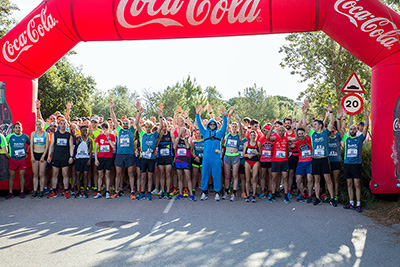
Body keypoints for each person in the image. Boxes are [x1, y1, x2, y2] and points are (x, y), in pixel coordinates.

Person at [301, 100, 337, 207]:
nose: (313, 125)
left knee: (328, 179)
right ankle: (317, 198)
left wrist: (330, 113)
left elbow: (332, 123)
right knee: (316, 179)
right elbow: (304, 124)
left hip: (324, 159)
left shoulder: (325, 132)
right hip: (315, 159)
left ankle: (332, 198)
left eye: (315, 124)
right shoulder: (312, 133)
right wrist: (304, 113)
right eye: (313, 124)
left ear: (320, 126)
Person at [196, 105, 233, 201]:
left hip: (216, 157)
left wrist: (224, 117)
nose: (212, 126)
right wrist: (197, 115)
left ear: (216, 126)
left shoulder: (219, 134)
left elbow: (224, 127)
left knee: (217, 174)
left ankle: (217, 192)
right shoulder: (204, 133)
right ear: (208, 126)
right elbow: (199, 125)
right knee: (204, 174)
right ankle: (204, 192)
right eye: (210, 125)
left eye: (214, 125)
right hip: (206, 157)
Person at [338, 107, 369, 212]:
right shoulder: (346, 138)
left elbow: (366, 128)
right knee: (349, 184)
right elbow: (339, 129)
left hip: (356, 164)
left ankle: (358, 204)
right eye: (350, 129)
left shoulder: (359, 138)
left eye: (354, 129)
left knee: (357, 184)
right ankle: (351, 203)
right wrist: (340, 118)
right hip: (347, 164)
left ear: (356, 130)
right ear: (349, 130)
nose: (352, 130)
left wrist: (366, 117)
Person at [135, 102, 164, 201]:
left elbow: (161, 126)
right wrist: (139, 112)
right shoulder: (142, 133)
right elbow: (136, 123)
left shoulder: (154, 134)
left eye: (149, 127)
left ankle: (149, 193)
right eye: (146, 127)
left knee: (150, 176)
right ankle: (142, 192)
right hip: (143, 157)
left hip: (151, 157)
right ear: (144, 128)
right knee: (143, 176)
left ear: (151, 128)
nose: (147, 128)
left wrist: (160, 116)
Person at [109, 101, 138, 199]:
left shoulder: (131, 130)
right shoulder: (119, 130)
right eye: (124, 123)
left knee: (130, 173)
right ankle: (117, 190)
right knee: (118, 173)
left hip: (129, 154)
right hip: (119, 154)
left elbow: (137, 121)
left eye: (127, 123)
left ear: (129, 124)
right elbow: (113, 120)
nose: (125, 124)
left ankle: (132, 191)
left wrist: (138, 111)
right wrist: (111, 109)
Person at [266, 123, 296, 204]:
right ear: (277, 131)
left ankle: (286, 195)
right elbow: (267, 137)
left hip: (284, 161)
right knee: (273, 178)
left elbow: (296, 138)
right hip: (275, 161)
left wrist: (294, 129)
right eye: (280, 130)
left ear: (284, 131)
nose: (281, 132)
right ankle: (272, 194)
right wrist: (271, 128)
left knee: (285, 178)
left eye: (283, 130)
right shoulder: (275, 137)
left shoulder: (287, 138)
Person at [47, 118, 74, 199]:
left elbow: (71, 146)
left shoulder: (68, 135)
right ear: (59, 125)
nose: (62, 125)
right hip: (56, 156)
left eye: (64, 124)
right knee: (54, 174)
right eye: (61, 124)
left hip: (65, 157)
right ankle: (54, 191)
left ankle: (66, 191)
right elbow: (51, 146)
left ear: (66, 125)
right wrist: (49, 156)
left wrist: (71, 156)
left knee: (65, 174)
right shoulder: (55, 134)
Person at [5, 122, 30, 199]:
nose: (17, 129)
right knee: (11, 176)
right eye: (16, 128)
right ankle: (10, 192)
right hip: (13, 159)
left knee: (21, 176)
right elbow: (4, 145)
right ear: (13, 129)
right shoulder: (9, 137)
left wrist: (27, 152)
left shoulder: (25, 137)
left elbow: (29, 144)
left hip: (22, 159)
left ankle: (22, 192)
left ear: (21, 128)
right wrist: (7, 154)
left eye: (19, 127)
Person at [222, 113, 242, 200]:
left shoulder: (238, 136)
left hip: (235, 157)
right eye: (232, 126)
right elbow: (226, 125)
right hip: (227, 156)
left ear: (236, 128)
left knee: (235, 175)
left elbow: (241, 130)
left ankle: (234, 193)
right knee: (227, 175)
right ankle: (226, 192)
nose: (234, 128)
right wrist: (228, 115)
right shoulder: (228, 135)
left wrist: (239, 120)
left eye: (235, 126)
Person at [93, 122, 116, 199]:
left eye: (106, 128)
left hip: (109, 157)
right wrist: (96, 159)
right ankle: (99, 191)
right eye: (103, 128)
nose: (105, 130)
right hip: (101, 157)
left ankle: (107, 191)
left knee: (108, 174)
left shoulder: (112, 136)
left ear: (109, 128)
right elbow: (96, 149)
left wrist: (108, 138)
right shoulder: (99, 137)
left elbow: (113, 146)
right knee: (100, 174)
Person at [291, 127, 313, 203]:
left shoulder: (309, 138)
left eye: (302, 133)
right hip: (300, 162)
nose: (300, 135)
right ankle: (303, 194)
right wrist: (290, 147)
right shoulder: (296, 142)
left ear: (304, 133)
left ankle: (310, 195)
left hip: (309, 162)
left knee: (310, 179)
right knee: (298, 180)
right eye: (299, 134)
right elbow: (288, 149)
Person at [174, 127, 196, 201]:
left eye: (183, 131)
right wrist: (178, 138)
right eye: (181, 130)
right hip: (178, 160)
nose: (182, 132)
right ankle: (180, 193)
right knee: (180, 178)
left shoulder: (188, 138)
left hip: (186, 160)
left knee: (188, 178)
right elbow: (174, 147)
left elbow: (188, 146)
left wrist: (184, 139)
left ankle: (191, 194)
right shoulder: (177, 139)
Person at [30, 119, 50, 198]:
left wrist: (43, 156)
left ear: (43, 125)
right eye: (37, 124)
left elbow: (47, 146)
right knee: (35, 174)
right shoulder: (32, 134)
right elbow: (31, 145)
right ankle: (35, 190)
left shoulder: (46, 134)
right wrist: (32, 156)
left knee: (42, 174)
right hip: (35, 154)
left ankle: (41, 190)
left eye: (40, 124)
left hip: (43, 154)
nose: (38, 126)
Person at [156, 120, 174, 199]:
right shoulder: (158, 135)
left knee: (168, 174)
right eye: (162, 126)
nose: (164, 128)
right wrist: (160, 137)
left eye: (165, 126)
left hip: (168, 157)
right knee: (161, 174)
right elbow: (156, 145)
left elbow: (174, 145)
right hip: (160, 157)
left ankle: (168, 191)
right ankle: (162, 191)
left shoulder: (170, 134)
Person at [74, 125, 92, 198]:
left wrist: (90, 159)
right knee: (78, 175)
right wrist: (72, 130)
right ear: (80, 131)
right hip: (78, 158)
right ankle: (78, 190)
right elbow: (73, 135)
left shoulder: (89, 140)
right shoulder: (78, 138)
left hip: (86, 159)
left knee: (85, 175)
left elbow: (90, 151)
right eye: (83, 130)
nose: (85, 132)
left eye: (86, 130)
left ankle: (85, 190)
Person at [243, 130, 261, 203]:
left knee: (254, 178)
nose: (253, 137)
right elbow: (243, 154)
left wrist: (257, 153)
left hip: (255, 161)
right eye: (251, 135)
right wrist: (248, 155)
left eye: (254, 135)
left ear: (256, 136)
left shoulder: (258, 143)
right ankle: (247, 195)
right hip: (247, 161)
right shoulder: (246, 143)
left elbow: (260, 154)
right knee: (247, 179)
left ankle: (253, 195)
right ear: (249, 136)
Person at [259, 124, 273, 199]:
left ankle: (270, 191)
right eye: (263, 130)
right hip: (263, 160)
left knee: (271, 176)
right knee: (263, 176)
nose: (263, 132)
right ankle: (263, 191)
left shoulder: (272, 138)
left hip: (271, 160)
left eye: (265, 130)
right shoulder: (261, 139)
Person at [191, 128, 204, 197]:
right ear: (195, 134)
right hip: (195, 159)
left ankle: (203, 190)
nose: (198, 135)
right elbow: (191, 151)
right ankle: (193, 190)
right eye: (197, 133)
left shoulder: (204, 141)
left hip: (202, 159)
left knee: (203, 175)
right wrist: (195, 157)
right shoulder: (194, 142)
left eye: (199, 133)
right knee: (194, 175)